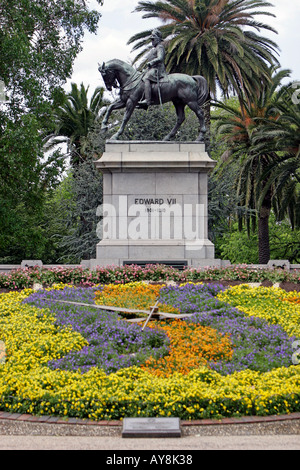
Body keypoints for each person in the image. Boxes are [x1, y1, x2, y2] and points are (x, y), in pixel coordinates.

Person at [140, 29, 167, 106]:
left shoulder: (160, 47)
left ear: (158, 39)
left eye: (153, 39)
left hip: (158, 69)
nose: (152, 41)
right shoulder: (154, 49)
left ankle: (147, 100)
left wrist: (151, 62)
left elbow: (160, 58)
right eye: (151, 39)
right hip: (152, 69)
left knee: (146, 78)